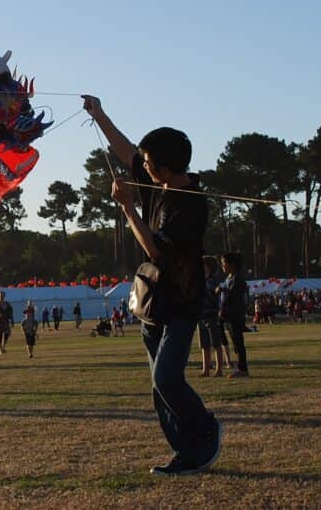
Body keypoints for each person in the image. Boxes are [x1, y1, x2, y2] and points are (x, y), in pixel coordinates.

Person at [84, 94, 220, 476]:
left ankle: (204, 431)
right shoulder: (158, 181)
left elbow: (157, 250)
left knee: (167, 377)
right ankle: (186, 452)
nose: (141, 166)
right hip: (153, 301)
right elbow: (126, 151)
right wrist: (100, 115)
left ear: (166, 166)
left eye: (148, 162)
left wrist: (127, 208)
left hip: (182, 299)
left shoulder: (189, 203)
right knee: (159, 388)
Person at [217, 254, 248, 378]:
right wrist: (219, 288)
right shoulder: (228, 279)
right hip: (227, 315)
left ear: (232, 265)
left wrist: (224, 308)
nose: (222, 266)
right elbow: (223, 288)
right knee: (235, 342)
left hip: (234, 316)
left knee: (238, 342)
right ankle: (240, 367)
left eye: (224, 263)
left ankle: (242, 369)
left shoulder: (237, 280)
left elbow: (232, 298)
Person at [198, 256, 226, 378]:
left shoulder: (214, 281)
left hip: (212, 314)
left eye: (204, 265)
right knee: (204, 344)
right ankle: (206, 369)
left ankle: (219, 369)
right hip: (201, 315)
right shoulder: (199, 280)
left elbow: (217, 294)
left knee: (216, 343)